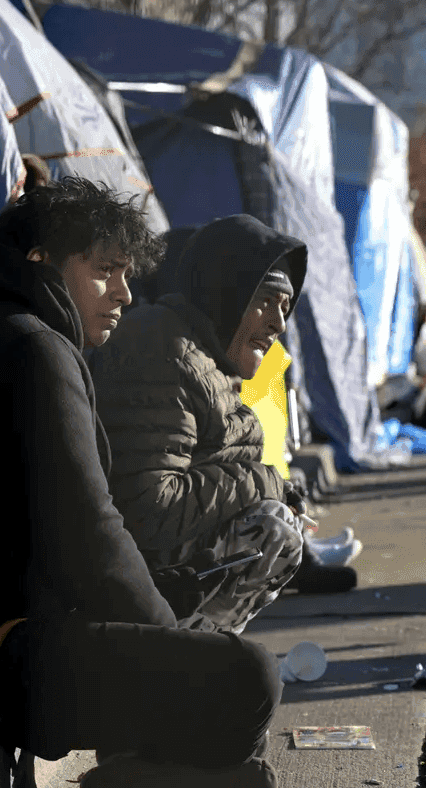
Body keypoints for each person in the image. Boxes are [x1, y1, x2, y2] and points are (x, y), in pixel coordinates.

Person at [0, 178, 281, 788]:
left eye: (128, 274)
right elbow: (89, 533)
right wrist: (170, 645)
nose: (125, 294)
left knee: (191, 636)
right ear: (40, 261)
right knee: (244, 677)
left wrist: (165, 612)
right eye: (105, 270)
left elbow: (38, 530)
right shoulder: (32, 347)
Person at [88, 214, 357, 635]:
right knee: (274, 528)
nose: (278, 323)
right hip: (121, 582)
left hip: (147, 567)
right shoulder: (162, 351)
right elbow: (150, 510)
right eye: (266, 300)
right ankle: (183, 662)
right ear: (225, 291)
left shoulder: (202, 356)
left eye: (286, 308)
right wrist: (265, 484)